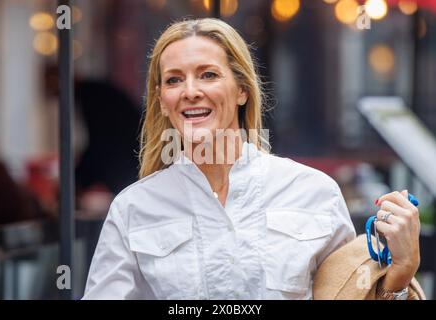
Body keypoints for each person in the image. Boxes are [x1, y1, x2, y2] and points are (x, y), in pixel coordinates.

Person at [82, 18, 421, 300]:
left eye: (208, 75)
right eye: (174, 80)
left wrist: (400, 276)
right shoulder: (133, 209)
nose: (189, 91)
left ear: (242, 90)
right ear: (161, 100)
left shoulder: (313, 192)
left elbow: (349, 294)